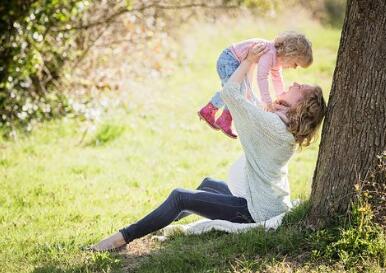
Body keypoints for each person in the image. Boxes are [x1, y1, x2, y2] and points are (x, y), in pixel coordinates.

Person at [90, 43, 326, 252]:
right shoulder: (281, 123)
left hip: (255, 211)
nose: (295, 82)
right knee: (207, 184)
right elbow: (255, 102)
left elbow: (230, 93)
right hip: (265, 200)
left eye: (301, 86)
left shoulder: (272, 126)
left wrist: (248, 61)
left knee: (180, 197)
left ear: (301, 105)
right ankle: (156, 222)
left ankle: (122, 238)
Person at [198, 31, 313, 138]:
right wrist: (267, 101)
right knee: (234, 90)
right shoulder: (269, 52)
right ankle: (210, 109)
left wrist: (281, 95)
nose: (294, 68)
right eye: (296, 64)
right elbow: (262, 77)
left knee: (239, 92)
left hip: (236, 63)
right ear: (291, 54)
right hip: (229, 60)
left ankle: (225, 119)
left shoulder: (276, 59)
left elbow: (277, 78)